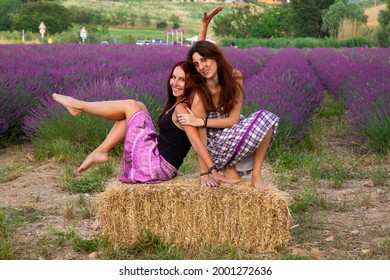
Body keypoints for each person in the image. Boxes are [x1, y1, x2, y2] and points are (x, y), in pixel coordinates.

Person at [52, 61, 238, 187]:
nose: (175, 82)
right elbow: (195, 56)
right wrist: (204, 26)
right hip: (156, 156)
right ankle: (101, 151)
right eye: (174, 77)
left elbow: (197, 142)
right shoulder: (177, 105)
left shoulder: (183, 110)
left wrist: (210, 172)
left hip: (158, 166)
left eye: (182, 79)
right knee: (136, 108)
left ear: (191, 84)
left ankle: (79, 106)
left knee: (132, 106)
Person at [177, 7, 279, 191]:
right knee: (235, 186)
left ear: (215, 57)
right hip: (215, 143)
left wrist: (200, 120)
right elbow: (200, 138)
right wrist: (205, 173)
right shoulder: (200, 91)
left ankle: (256, 175)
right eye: (197, 64)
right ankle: (226, 166)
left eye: (205, 60)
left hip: (231, 128)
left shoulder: (235, 77)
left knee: (267, 118)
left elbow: (232, 119)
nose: (201, 66)